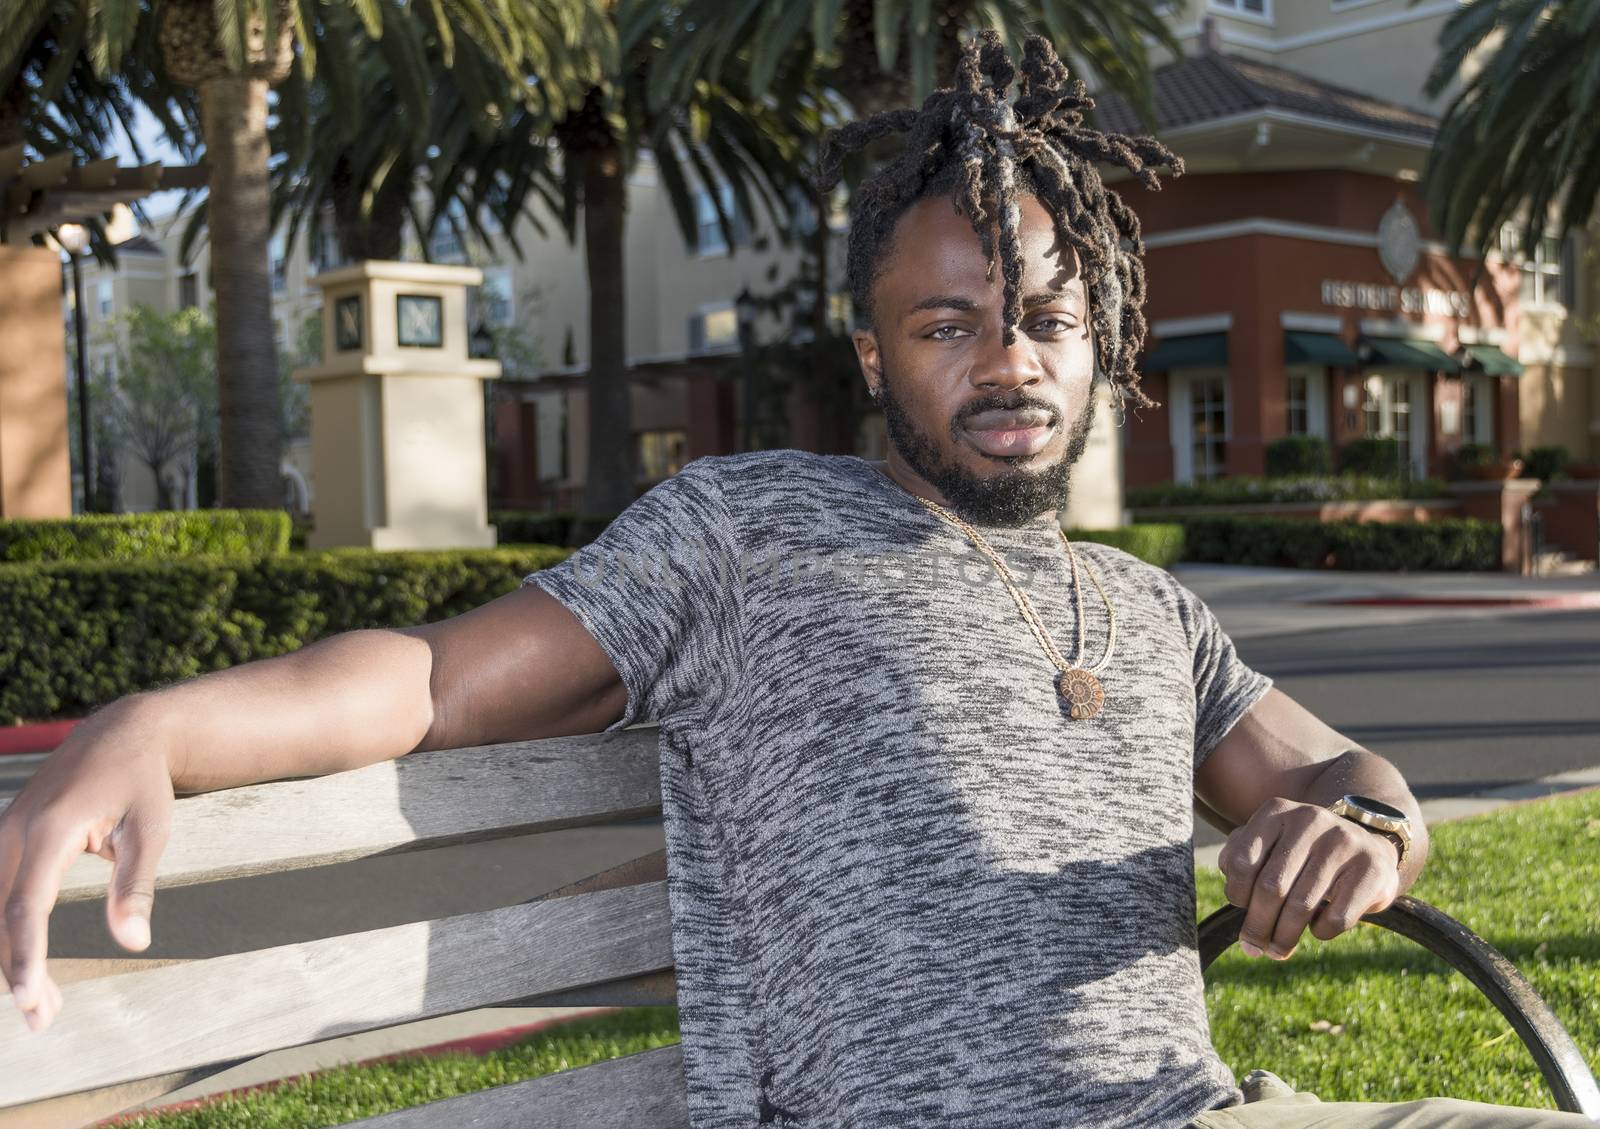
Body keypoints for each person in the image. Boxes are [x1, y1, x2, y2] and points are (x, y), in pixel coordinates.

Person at [0, 32, 1587, 1129]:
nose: (1007, 358)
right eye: (945, 323)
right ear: (868, 351)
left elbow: (1326, 765)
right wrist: (158, 723)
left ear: (1099, 338)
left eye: (1042, 314)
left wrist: (1364, 823)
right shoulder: (745, 536)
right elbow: (433, 676)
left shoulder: (1152, 609)